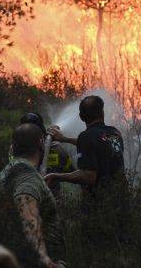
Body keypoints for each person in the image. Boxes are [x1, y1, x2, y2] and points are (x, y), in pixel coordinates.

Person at [44, 95, 127, 243]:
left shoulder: (87, 137)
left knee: (97, 251)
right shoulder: (114, 134)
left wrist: (56, 176)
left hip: (98, 208)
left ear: (82, 117)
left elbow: (89, 176)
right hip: (121, 204)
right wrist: (64, 139)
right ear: (102, 113)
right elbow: (97, 145)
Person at [0, 123, 67, 268]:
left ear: (13, 147)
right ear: (41, 144)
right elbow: (28, 217)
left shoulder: (7, 172)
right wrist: (47, 262)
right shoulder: (27, 178)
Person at [19, 112, 74, 199]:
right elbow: (71, 172)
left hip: (27, 201)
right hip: (41, 201)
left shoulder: (15, 150)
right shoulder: (57, 148)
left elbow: (71, 173)